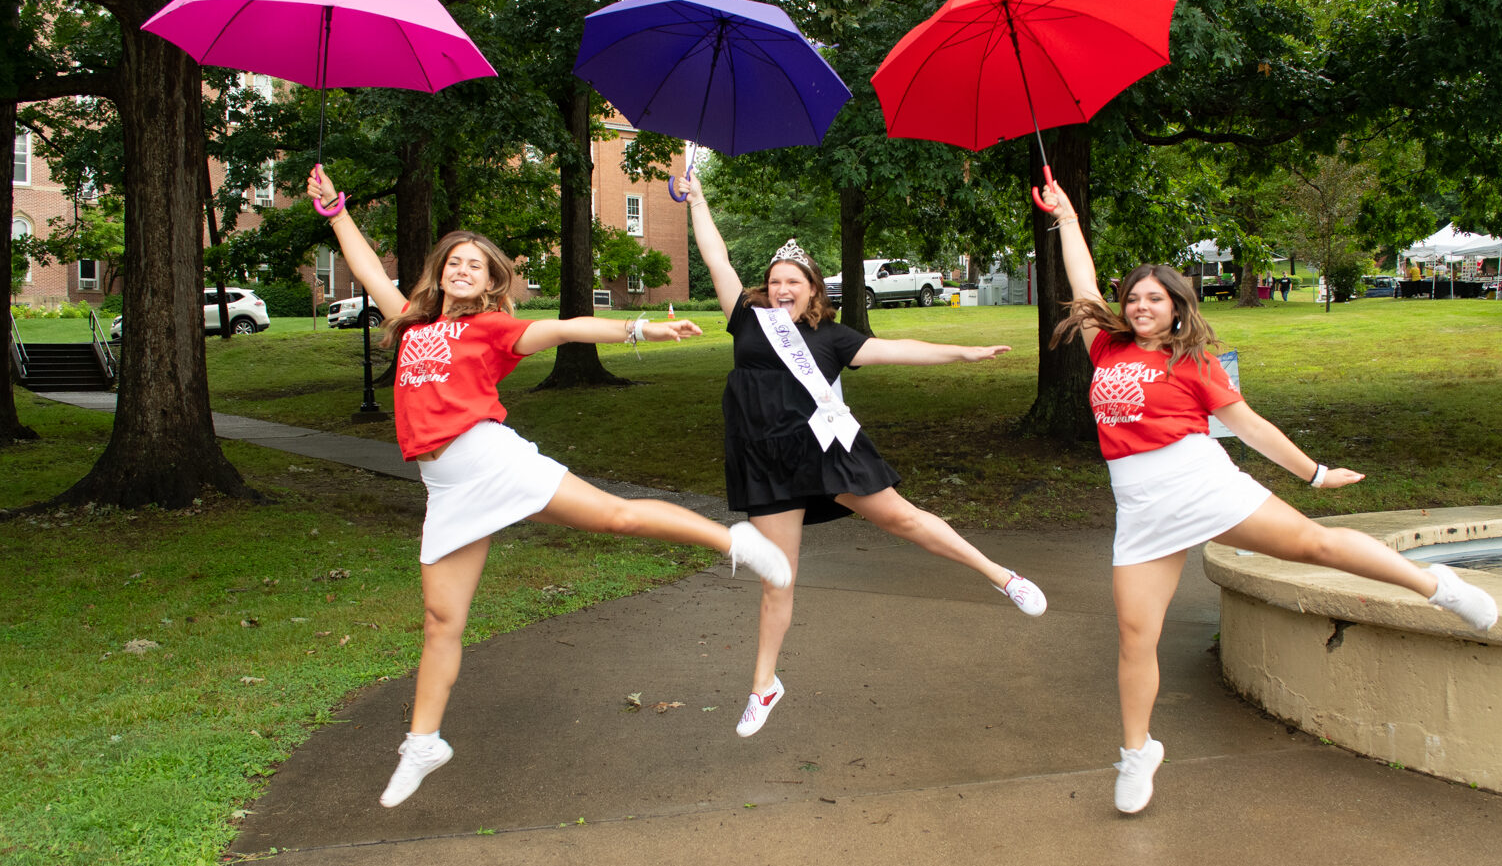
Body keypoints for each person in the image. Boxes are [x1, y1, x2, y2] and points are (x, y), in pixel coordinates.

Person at [307, 167, 793, 807]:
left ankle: (730, 541)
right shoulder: (410, 324)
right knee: (441, 620)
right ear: (438, 272)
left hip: (492, 461)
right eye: (454, 261)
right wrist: (336, 211)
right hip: (447, 491)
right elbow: (369, 269)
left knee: (615, 517)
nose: (462, 269)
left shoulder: (492, 329)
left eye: (476, 266)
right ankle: (424, 743)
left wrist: (641, 329)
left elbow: (565, 329)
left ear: (490, 283)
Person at [1036, 179, 1497, 816]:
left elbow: (1250, 427)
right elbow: (1083, 285)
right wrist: (1065, 217)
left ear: (1177, 306)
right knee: (1135, 636)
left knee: (1318, 544)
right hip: (1140, 509)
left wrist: (1314, 473)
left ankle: (1436, 586)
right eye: (1134, 297)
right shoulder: (1106, 347)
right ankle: (1139, 752)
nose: (1141, 306)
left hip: (1202, 485)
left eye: (1155, 298)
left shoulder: (1193, 361)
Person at [684, 173, 1047, 738]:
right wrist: (699, 199)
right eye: (775, 281)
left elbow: (900, 349)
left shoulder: (833, 337)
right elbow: (715, 256)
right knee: (777, 575)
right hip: (766, 461)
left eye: (793, 282)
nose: (782, 288)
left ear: (811, 290)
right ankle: (764, 686)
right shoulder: (746, 319)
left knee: (903, 518)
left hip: (826, 449)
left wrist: (964, 352)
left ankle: (1002, 577)